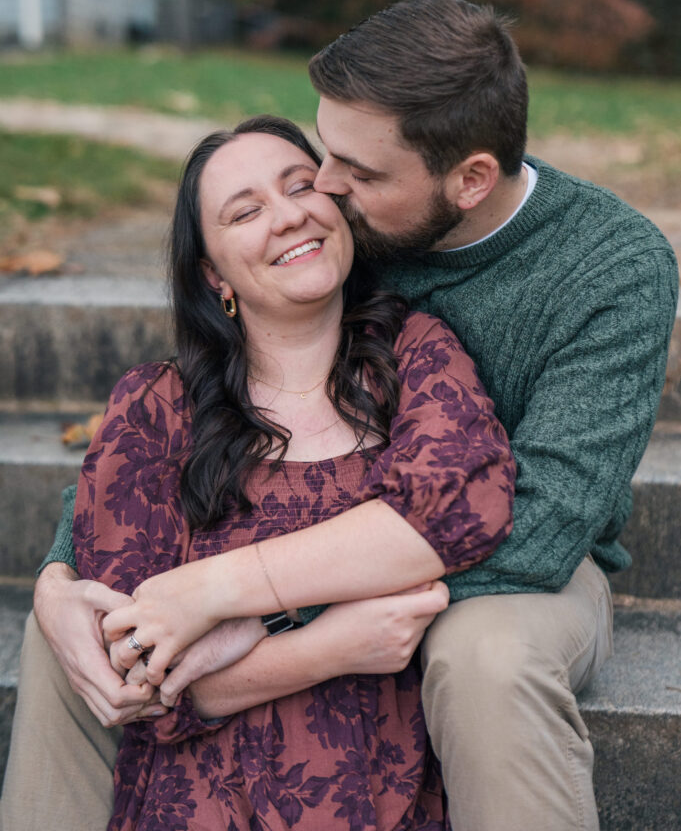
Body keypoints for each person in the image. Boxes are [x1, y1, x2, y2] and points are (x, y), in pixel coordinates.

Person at [2, 0, 678, 831]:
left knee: (486, 657)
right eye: (325, 153)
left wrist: (254, 620)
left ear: (467, 179)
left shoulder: (612, 267)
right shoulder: (343, 226)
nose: (320, 191)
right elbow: (188, 405)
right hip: (299, 517)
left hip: (513, 560)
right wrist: (61, 575)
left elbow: (539, 528)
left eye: (354, 173)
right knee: (68, 632)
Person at [1, 114, 514, 831]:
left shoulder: (416, 357)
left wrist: (233, 617)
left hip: (379, 795)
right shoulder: (156, 409)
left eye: (301, 185)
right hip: (197, 805)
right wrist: (323, 648)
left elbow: (462, 505)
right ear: (213, 276)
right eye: (244, 212)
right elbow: (130, 665)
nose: (287, 216)